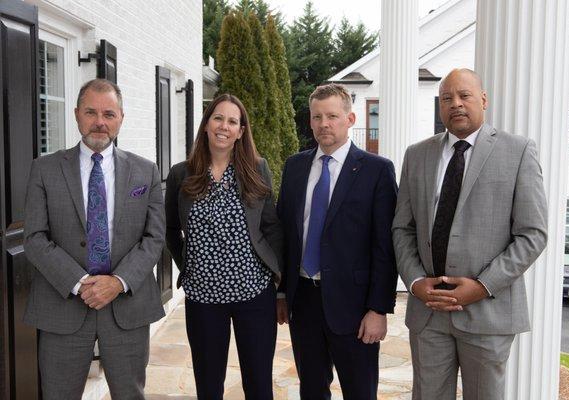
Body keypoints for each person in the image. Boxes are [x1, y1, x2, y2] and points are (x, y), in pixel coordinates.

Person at [392, 68, 548, 400]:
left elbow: (532, 234)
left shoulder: (518, 151)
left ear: (483, 99)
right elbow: (403, 228)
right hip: (429, 313)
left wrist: (481, 286)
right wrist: (416, 282)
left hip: (487, 312)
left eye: (464, 95)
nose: (456, 104)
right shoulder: (417, 155)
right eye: (446, 98)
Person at [23, 78, 166, 399]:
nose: (100, 122)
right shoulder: (44, 169)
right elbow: (34, 237)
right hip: (62, 305)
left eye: (109, 114)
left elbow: (154, 238)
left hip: (126, 308)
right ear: (77, 114)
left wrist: (117, 282)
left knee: (130, 394)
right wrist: (80, 283)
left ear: (121, 118)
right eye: (91, 112)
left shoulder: (146, 171)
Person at [276, 83, 398, 399]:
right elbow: (284, 233)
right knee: (312, 390)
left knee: (360, 392)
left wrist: (378, 309)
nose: (324, 124)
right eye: (317, 117)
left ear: (350, 119)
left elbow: (385, 247)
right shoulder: (295, 167)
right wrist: (282, 292)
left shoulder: (377, 170)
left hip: (355, 306)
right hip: (304, 301)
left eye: (332, 116)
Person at [165, 94, 283, 400]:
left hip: (254, 294)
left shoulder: (257, 168)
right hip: (203, 298)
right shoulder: (181, 173)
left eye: (232, 121)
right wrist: (187, 265)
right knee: (208, 385)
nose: (224, 126)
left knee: (259, 385)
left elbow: (271, 226)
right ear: (206, 124)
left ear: (241, 131)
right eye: (218, 118)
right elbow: (170, 229)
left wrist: (278, 283)